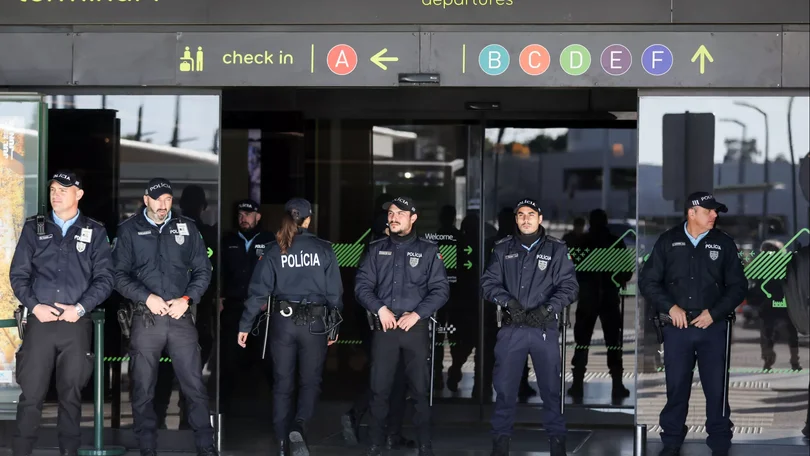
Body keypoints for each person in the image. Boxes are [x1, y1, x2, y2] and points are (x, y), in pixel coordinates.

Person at [10, 170, 115, 456]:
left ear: (78, 194)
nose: (56, 194)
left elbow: (105, 279)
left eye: (63, 189)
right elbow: (18, 275)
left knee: (71, 396)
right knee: (31, 395)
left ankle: (69, 452)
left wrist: (81, 308)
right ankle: (21, 451)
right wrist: (35, 306)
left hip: (75, 324)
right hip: (40, 323)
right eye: (53, 189)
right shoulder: (35, 228)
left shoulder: (95, 231)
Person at [112, 178, 217, 456]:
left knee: (193, 384)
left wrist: (187, 299)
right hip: (145, 319)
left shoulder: (187, 228)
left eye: (168, 200)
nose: (163, 205)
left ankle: (206, 446)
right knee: (143, 387)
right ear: (146, 199)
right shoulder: (129, 231)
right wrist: (146, 297)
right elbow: (117, 275)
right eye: (158, 199)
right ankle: (147, 447)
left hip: (180, 317)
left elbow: (203, 270)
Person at [639, 192, 747, 456]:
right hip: (678, 328)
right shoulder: (668, 241)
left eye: (716, 211)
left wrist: (715, 313)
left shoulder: (723, 243)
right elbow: (648, 281)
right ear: (692, 213)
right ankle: (672, 440)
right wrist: (670, 307)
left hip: (713, 327)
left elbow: (738, 286)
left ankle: (720, 443)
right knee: (676, 386)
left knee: (716, 389)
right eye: (709, 211)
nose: (715, 215)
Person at [238, 198, 343, 456]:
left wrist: (245, 324)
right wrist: (334, 326)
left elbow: (258, 292)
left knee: (282, 384)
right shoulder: (323, 250)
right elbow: (335, 294)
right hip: (315, 324)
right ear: (308, 219)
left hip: (283, 323)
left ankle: (282, 440)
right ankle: (299, 425)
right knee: (310, 381)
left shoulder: (275, 249)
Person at [481, 198, 578, 456]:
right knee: (504, 389)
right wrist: (508, 302)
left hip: (543, 328)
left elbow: (569, 286)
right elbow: (488, 284)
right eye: (521, 214)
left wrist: (547, 309)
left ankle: (557, 443)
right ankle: (500, 444)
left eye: (531, 214)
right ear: (516, 219)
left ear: (540, 218)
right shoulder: (502, 249)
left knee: (550, 389)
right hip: (512, 329)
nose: (525, 219)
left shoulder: (557, 249)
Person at [355, 196, 450, 456]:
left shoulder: (429, 251)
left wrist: (417, 314)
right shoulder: (376, 249)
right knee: (379, 389)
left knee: (420, 391)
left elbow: (441, 290)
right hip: (384, 328)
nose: (393, 217)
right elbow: (362, 286)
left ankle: (424, 445)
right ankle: (375, 444)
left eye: (400, 213)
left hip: (414, 330)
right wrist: (380, 308)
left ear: (413, 218)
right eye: (391, 213)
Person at [568, 209, 632, 401]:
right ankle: (617, 385)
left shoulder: (583, 242)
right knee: (613, 343)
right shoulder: (615, 242)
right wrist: (617, 280)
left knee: (582, 342)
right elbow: (626, 270)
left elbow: (573, 269)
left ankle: (578, 384)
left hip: (588, 297)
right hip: (609, 298)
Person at [219, 199, 275, 407]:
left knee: (267, 359)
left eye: (248, 214)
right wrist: (219, 297)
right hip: (234, 307)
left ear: (258, 216)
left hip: (261, 310)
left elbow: (277, 273)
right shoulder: (229, 239)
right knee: (229, 360)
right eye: (240, 214)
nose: (243, 218)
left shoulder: (270, 240)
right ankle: (224, 411)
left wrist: (269, 300)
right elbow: (219, 271)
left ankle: (278, 411)